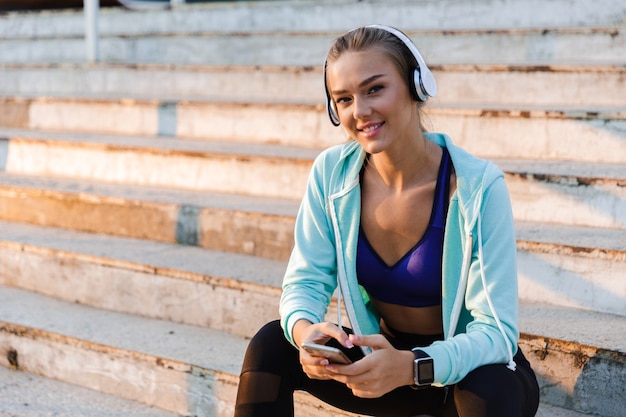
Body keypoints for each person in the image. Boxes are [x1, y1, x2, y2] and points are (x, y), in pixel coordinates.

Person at [234, 24, 540, 417]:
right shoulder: (332, 174)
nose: (359, 111)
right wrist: (306, 333)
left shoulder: (477, 187)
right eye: (343, 99)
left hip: (464, 371)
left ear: (416, 86)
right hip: (383, 363)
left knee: (490, 387)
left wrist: (413, 366)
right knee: (272, 344)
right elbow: (305, 282)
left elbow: (495, 333)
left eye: (375, 89)